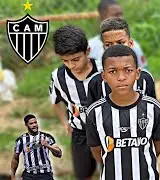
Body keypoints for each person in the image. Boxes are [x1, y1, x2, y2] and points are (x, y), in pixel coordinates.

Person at [86, 44, 160, 180]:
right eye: (113, 71)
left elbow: (158, 144)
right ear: (104, 76)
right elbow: (96, 150)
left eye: (128, 70)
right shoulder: (95, 112)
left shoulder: (153, 108)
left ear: (137, 73)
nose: (121, 77)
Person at [49, 25, 101, 179]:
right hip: (80, 133)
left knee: (112, 171)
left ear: (88, 51)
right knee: (83, 174)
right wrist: (65, 122)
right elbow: (55, 100)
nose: (71, 66)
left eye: (76, 59)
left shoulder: (104, 70)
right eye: (65, 61)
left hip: (106, 131)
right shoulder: (58, 77)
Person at [87, 17, 156, 106]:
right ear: (103, 47)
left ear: (130, 43)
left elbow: (153, 112)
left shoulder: (146, 79)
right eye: (108, 45)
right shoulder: (96, 83)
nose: (115, 48)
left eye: (120, 42)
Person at [89, 0, 147, 70]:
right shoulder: (90, 48)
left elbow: (144, 71)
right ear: (102, 17)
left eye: (121, 14)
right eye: (115, 15)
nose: (121, 18)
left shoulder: (133, 46)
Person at [11, 114, 62, 180]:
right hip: (29, 175)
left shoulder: (47, 137)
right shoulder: (21, 140)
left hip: (45, 175)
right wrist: (12, 176)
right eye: (31, 123)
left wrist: (48, 146)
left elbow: (59, 154)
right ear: (26, 125)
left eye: (35, 122)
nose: (34, 125)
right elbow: (15, 158)